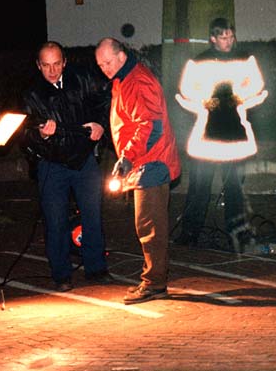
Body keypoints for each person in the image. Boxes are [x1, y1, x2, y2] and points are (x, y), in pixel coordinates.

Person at [95, 37, 181, 304]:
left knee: (149, 225)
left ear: (121, 57)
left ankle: (155, 283)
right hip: (147, 162)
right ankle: (154, 279)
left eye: (108, 62)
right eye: (100, 64)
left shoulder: (136, 80)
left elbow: (149, 126)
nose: (105, 68)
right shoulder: (126, 78)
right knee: (148, 224)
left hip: (152, 164)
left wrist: (127, 158)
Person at [22, 41, 113, 291]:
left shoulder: (82, 81)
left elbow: (105, 101)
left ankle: (96, 268)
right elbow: (25, 135)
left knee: (92, 215)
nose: (52, 71)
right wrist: (41, 136)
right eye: (46, 66)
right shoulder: (32, 94)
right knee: (55, 220)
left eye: (56, 64)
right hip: (52, 164)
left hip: (83, 161)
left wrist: (100, 125)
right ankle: (61, 274)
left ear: (64, 62)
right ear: (38, 66)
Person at [173, 18, 253, 250]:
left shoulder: (242, 60)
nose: (229, 41)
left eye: (231, 36)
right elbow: (189, 93)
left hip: (234, 134)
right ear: (213, 38)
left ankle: (237, 232)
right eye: (223, 37)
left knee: (235, 188)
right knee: (200, 186)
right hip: (207, 135)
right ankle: (190, 231)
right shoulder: (200, 62)